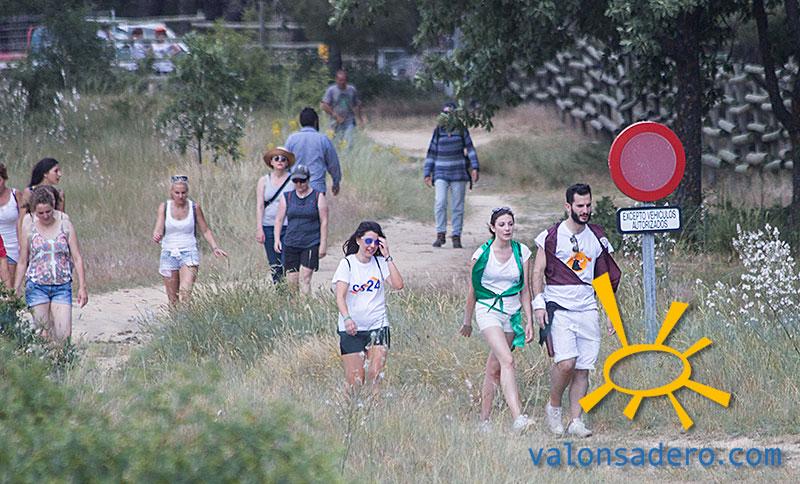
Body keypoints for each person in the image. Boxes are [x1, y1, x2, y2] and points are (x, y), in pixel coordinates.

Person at [531, 183, 621, 438]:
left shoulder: (597, 236)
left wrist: (611, 313)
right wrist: (538, 304)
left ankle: (575, 420)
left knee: (582, 367)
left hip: (587, 308)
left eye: (588, 205)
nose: (585, 210)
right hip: (559, 307)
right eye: (580, 206)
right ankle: (554, 407)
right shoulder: (551, 236)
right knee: (566, 363)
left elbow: (605, 278)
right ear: (568, 206)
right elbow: (537, 271)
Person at [461, 207, 534, 432]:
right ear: (493, 228)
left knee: (494, 368)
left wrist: (529, 320)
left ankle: (484, 421)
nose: (507, 228)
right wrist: (467, 321)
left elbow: (525, 289)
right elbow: (473, 290)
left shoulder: (522, 252)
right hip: (488, 310)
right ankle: (518, 417)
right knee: (507, 360)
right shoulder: (482, 254)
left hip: (511, 312)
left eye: (510, 224)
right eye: (502, 224)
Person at [333, 221, 404, 389]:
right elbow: (340, 296)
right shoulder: (347, 264)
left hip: (378, 325)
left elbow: (398, 285)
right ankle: (350, 404)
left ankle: (375, 405)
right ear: (358, 240)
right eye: (368, 241)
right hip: (352, 329)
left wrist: (387, 256)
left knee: (375, 374)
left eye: (376, 242)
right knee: (355, 380)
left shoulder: (380, 263)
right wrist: (347, 318)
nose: (372, 246)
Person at [14, 186, 87, 342]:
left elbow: (77, 257)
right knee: (43, 335)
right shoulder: (28, 225)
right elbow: (22, 260)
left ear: (53, 207)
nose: (46, 216)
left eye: (49, 211)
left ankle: (62, 357)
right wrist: (16, 287)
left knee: (63, 335)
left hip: (62, 285)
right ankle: (46, 357)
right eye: (41, 213)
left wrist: (82, 286)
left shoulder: (65, 223)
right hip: (37, 286)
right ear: (34, 211)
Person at [152, 175, 228, 305]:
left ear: (187, 192)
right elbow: (158, 228)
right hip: (169, 253)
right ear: (171, 192)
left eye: (183, 193)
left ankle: (186, 315)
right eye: (177, 193)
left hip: (189, 252)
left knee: (185, 293)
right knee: (173, 300)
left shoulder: (194, 208)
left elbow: (205, 230)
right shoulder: (164, 207)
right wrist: (157, 235)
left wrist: (215, 247)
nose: (180, 196)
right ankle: (176, 318)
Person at [423, 102, 480, 249]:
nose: (448, 117)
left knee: (457, 206)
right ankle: (440, 234)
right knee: (440, 202)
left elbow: (470, 149)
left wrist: (475, 167)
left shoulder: (461, 130)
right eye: (445, 113)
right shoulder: (438, 131)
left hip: (458, 173)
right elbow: (431, 152)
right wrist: (427, 173)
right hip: (440, 172)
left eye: (451, 113)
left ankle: (456, 236)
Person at [274, 165, 329, 294]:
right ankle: (294, 305)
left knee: (305, 278)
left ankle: (306, 304)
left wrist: (323, 244)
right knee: (292, 280)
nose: (299, 184)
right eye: (296, 181)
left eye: (302, 181)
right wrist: (277, 239)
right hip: (291, 242)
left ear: (308, 180)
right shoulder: (287, 197)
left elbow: (324, 221)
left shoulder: (318, 196)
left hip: (311, 242)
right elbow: (279, 220)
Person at [256, 146, 295, 283]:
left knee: (287, 261)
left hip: (288, 226)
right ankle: (279, 290)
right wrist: (259, 228)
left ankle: (290, 289)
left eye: (283, 159)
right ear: (271, 162)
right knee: (274, 263)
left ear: (287, 163)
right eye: (276, 158)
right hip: (268, 225)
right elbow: (260, 205)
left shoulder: (293, 181)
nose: (280, 161)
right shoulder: (263, 181)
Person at [285, 107, 342, 195]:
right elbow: (333, 164)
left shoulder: (291, 139)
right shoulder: (323, 139)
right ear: (316, 122)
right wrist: (336, 182)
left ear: (301, 122)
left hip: (295, 187)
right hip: (316, 188)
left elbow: (285, 164)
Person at [321, 69, 364, 145]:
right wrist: (335, 116)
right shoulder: (331, 90)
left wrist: (360, 120)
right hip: (335, 122)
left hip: (349, 121)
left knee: (349, 143)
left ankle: (348, 152)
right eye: (340, 80)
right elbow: (324, 105)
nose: (342, 82)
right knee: (334, 143)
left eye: (344, 80)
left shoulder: (352, 90)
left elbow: (357, 105)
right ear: (336, 80)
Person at [0, 163, 23, 287]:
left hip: (12, 246)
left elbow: (24, 221)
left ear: (4, 179)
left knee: (9, 288)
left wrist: (23, 245)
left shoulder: (15, 195)